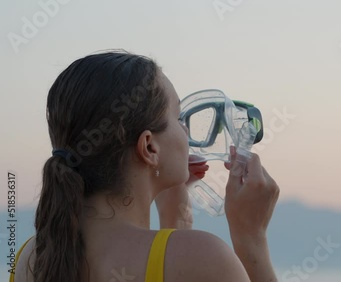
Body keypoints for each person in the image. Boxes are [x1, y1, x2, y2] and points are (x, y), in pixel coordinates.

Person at [10, 51, 280, 282]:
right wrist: (251, 238)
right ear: (149, 147)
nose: (186, 133)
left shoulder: (29, 259)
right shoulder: (204, 257)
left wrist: (176, 220)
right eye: (177, 117)